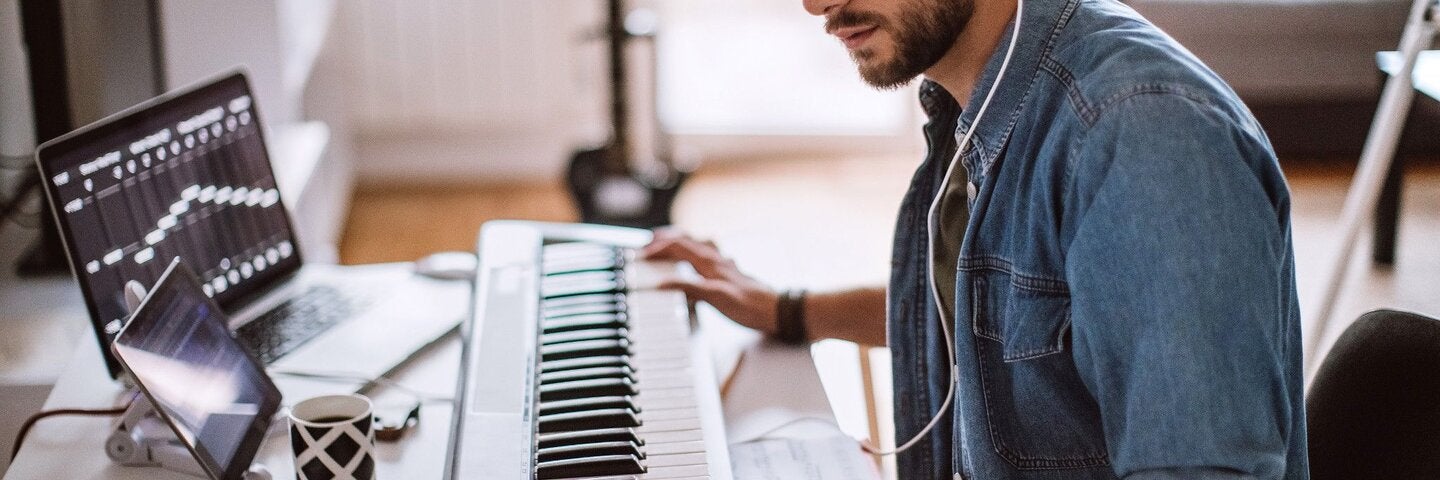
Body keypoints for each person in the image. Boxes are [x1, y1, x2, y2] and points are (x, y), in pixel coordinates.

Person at [642, 0, 1310, 478]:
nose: (819, 6)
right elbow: (1007, 314)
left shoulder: (1143, 137)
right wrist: (787, 309)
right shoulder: (987, 95)